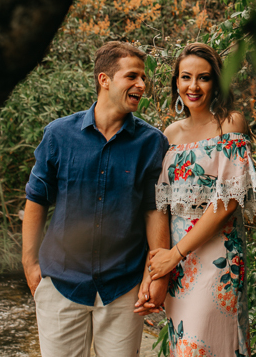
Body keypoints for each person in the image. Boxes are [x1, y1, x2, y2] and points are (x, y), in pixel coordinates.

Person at [22, 41, 170, 357]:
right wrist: (30, 264)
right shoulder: (58, 135)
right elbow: (36, 199)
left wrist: (157, 275)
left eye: (143, 78)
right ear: (104, 80)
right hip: (60, 283)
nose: (142, 85)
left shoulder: (152, 142)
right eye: (132, 76)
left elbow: (155, 209)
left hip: (123, 287)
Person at [147, 42, 256, 357]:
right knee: (183, 346)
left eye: (204, 78)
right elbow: (161, 207)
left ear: (216, 83)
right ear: (176, 83)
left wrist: (175, 254)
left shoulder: (230, 124)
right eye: (186, 77)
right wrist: (160, 267)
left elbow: (227, 203)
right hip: (178, 265)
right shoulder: (169, 135)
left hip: (217, 257)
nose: (193, 86)